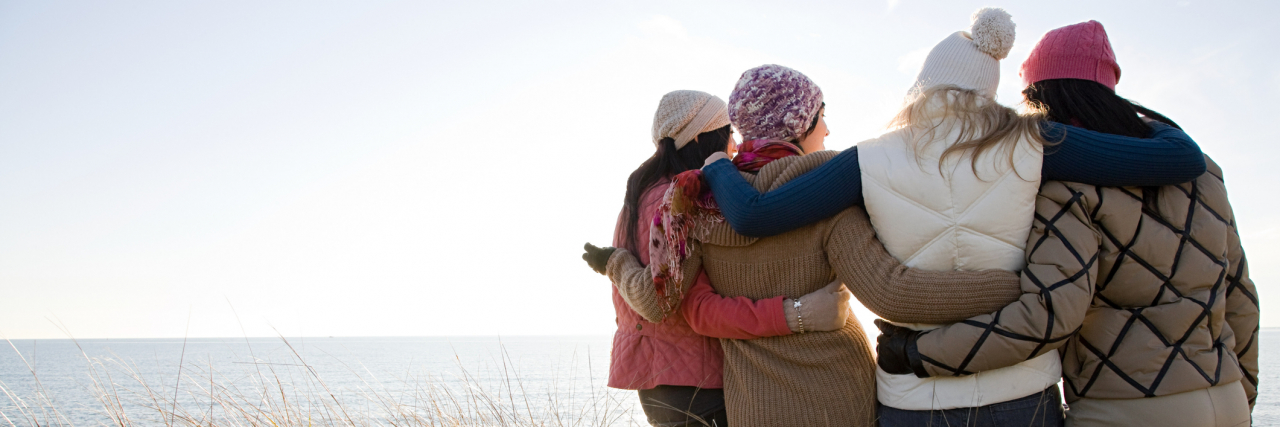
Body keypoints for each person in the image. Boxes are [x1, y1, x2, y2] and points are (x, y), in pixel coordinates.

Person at [590, 65, 1032, 427]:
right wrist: (1017, 286)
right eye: (821, 114)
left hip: (753, 410)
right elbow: (893, 294)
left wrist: (617, 263)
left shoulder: (695, 201)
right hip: (837, 402)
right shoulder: (825, 191)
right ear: (799, 123)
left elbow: (670, 301)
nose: (827, 127)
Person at [875, 20, 1259, 427]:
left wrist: (918, 353)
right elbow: (1240, 297)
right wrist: (1238, 395)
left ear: (1039, 96)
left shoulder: (1069, 186)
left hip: (1123, 407)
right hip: (1226, 397)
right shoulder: (1204, 173)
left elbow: (1049, 315)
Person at [594, 90, 859, 427]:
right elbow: (656, 299)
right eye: (728, 133)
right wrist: (615, 264)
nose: (734, 144)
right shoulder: (685, 199)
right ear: (706, 137)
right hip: (696, 380)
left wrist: (613, 263)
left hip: (653, 378)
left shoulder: (637, 198)